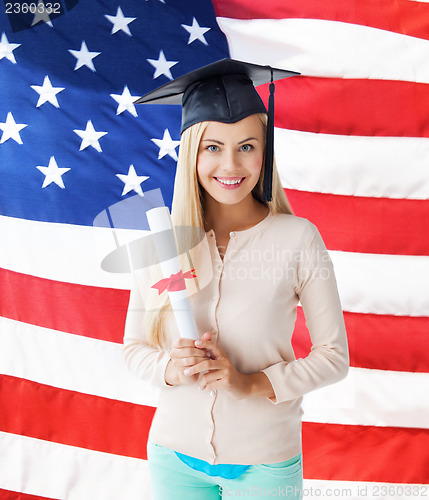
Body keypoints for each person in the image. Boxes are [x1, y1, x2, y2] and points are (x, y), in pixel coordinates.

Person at [123, 59, 349, 499]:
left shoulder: (298, 239)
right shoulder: (163, 241)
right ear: (192, 153)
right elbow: (134, 350)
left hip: (265, 461)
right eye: (212, 147)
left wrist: (253, 383)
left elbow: (333, 357)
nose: (230, 163)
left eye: (247, 146)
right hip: (174, 457)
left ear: (265, 152)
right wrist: (172, 367)